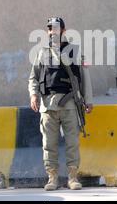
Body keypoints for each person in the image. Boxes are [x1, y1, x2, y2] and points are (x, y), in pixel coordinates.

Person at [28, 17, 93, 191]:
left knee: (72, 142)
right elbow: (34, 77)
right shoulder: (41, 52)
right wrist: (33, 94)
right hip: (48, 105)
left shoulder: (75, 50)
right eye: (50, 28)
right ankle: (52, 178)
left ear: (63, 31)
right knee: (49, 144)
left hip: (69, 103)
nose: (52, 31)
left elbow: (84, 77)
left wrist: (88, 100)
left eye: (56, 28)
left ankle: (73, 177)